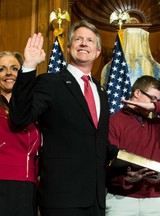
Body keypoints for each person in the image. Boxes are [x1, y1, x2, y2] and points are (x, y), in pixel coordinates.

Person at [9, 20, 118, 216]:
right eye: (78, 39)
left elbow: (96, 141)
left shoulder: (101, 92)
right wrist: (28, 67)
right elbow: (19, 117)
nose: (84, 43)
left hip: (95, 199)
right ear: (69, 47)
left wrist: (129, 162)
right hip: (62, 198)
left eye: (90, 41)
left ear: (98, 52)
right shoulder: (50, 83)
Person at [106, 75, 160, 216]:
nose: (154, 104)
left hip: (154, 201)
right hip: (121, 201)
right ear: (137, 93)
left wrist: (155, 106)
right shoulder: (113, 122)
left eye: (157, 101)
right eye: (152, 99)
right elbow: (107, 162)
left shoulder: (156, 125)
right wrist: (125, 179)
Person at [0, 51, 41, 216]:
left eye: (14, 68)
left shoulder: (36, 108)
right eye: (1, 69)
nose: (8, 73)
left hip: (28, 186)